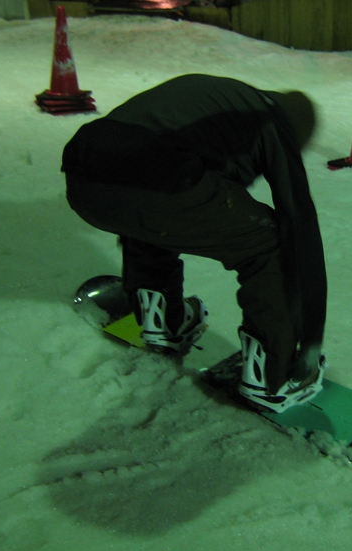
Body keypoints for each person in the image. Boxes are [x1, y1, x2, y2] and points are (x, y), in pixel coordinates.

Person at [61, 75, 327, 414]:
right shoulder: (274, 121)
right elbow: (300, 226)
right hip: (151, 176)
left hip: (82, 177)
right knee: (270, 243)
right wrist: (309, 344)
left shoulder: (227, 104)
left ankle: (161, 321)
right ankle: (274, 377)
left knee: (163, 205)